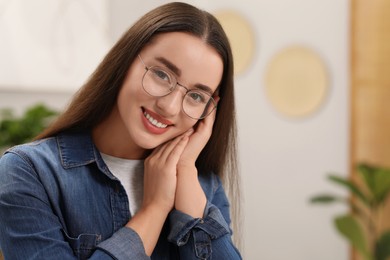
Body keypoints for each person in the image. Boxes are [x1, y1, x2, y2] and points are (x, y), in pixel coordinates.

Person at [0, 2, 241, 259]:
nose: (169, 107)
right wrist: (155, 208)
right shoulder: (28, 172)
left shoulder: (204, 185)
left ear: (210, 108)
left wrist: (185, 174)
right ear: (126, 61)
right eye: (161, 74)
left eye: (196, 95)